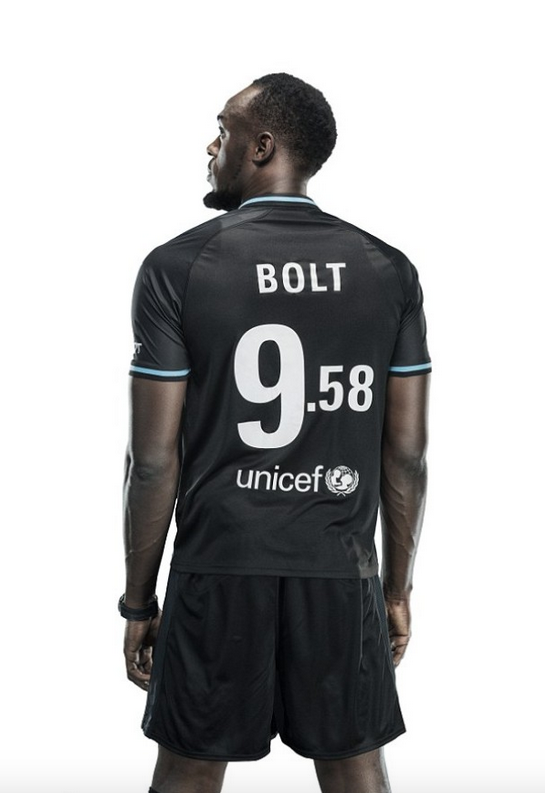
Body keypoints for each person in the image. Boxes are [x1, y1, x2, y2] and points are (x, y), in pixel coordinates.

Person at [120, 73, 431, 793]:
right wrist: (394, 589)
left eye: (223, 130)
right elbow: (407, 454)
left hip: (218, 563)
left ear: (261, 146)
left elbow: (153, 460)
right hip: (340, 567)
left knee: (188, 771)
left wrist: (139, 601)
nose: (212, 146)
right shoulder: (387, 270)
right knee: (356, 771)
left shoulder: (177, 266)